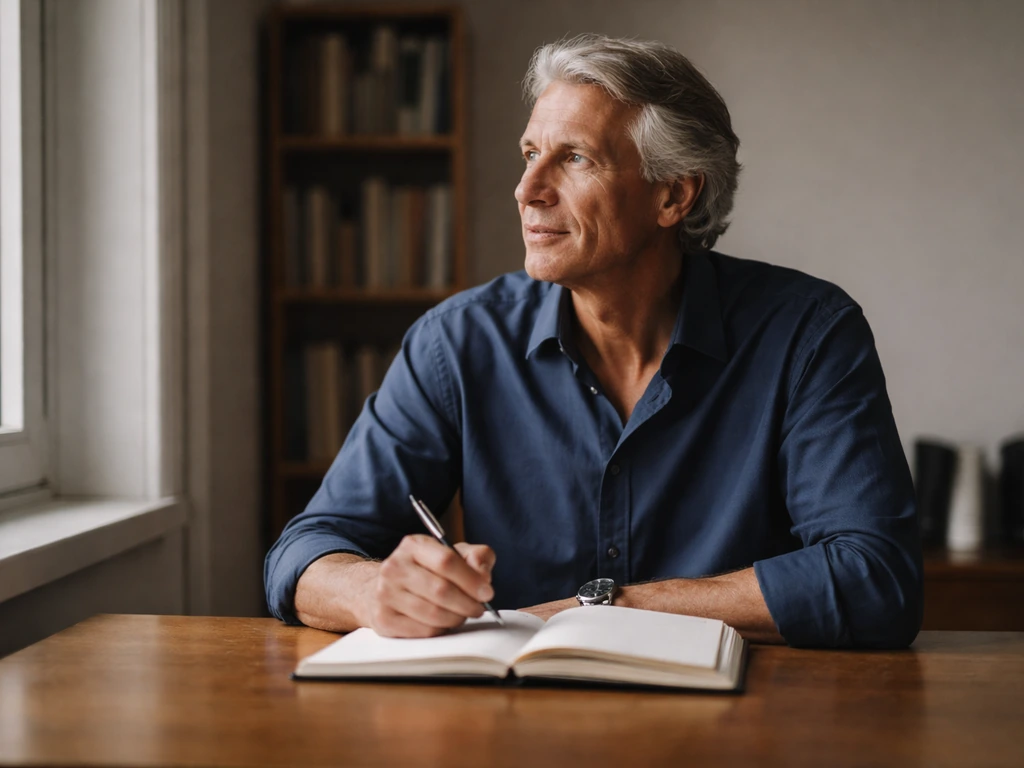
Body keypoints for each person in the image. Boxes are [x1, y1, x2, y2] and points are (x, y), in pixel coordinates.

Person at [265, 35, 923, 648]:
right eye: (529, 155)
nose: (527, 190)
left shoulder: (808, 334)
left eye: (574, 158)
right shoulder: (458, 342)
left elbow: (876, 578)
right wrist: (376, 590)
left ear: (673, 196)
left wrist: (608, 610)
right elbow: (304, 553)